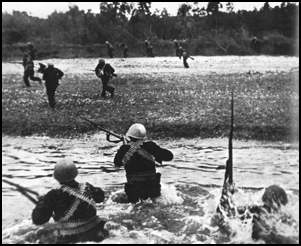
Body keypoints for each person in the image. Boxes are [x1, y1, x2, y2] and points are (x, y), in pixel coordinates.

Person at [31, 159, 108, 243]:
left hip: (70, 238)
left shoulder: (54, 195)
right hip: (96, 231)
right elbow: (101, 197)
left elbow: (38, 220)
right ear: (75, 173)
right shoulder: (88, 187)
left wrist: (42, 201)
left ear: (56, 176)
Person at [113, 123, 173, 203]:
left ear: (129, 136)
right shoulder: (151, 146)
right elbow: (169, 156)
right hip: (153, 187)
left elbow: (117, 163)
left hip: (134, 188)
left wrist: (125, 147)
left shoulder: (125, 149)